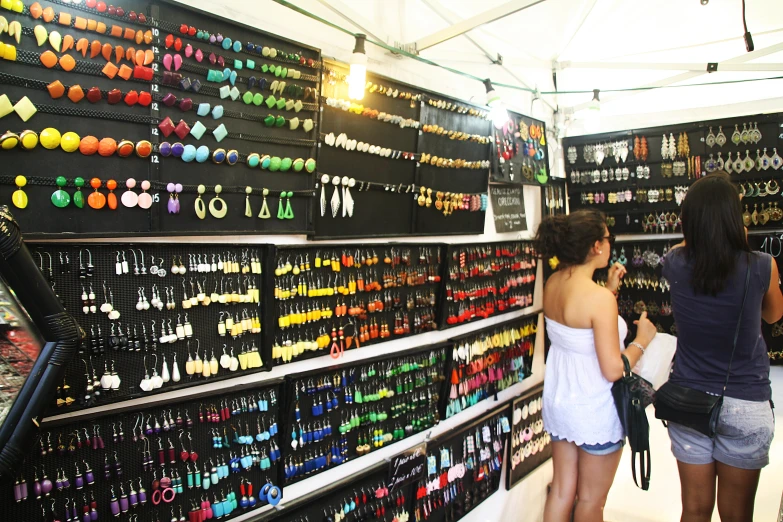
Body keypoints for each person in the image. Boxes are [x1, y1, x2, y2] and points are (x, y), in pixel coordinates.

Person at [662, 172, 783, 522]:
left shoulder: (675, 262)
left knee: (695, 511)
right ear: (736, 218)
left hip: (689, 400)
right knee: (736, 515)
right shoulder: (761, 265)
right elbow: (775, 315)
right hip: (745, 400)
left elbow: (686, 247)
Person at [535, 209, 657, 522]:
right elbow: (613, 369)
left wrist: (609, 288)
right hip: (594, 409)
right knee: (590, 501)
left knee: (562, 490)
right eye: (607, 238)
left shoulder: (553, 284)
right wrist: (641, 341)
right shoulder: (599, 299)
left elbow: (581, 332)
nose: (609, 244)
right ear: (595, 246)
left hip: (561, 403)